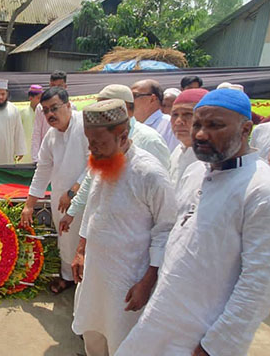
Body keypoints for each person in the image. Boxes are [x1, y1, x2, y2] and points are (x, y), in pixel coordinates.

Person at [116, 89, 270, 356]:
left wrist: (217, 345)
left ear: (245, 128)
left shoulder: (267, 194)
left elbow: (261, 283)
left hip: (202, 335)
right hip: (161, 315)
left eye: (215, 125)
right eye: (198, 124)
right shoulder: (195, 172)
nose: (201, 134)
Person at [67, 99, 176, 356]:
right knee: (92, 334)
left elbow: (166, 229)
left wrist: (147, 282)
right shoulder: (101, 161)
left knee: (123, 342)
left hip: (128, 280)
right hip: (94, 273)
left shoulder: (150, 173)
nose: (93, 149)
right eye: (89, 143)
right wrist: (81, 249)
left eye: (100, 143)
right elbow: (93, 209)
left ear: (123, 136)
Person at [61, 84, 172, 232]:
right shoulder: (100, 143)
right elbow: (92, 182)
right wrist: (72, 212)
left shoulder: (149, 141)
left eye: (105, 106)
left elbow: (163, 216)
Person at [21, 86, 89, 294]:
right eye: (45, 110)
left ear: (68, 105)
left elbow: (94, 163)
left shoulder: (86, 126)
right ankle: (68, 277)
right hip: (61, 198)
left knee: (85, 239)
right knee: (65, 240)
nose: (50, 114)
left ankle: (86, 283)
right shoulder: (50, 137)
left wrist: (73, 192)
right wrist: (28, 206)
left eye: (54, 108)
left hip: (85, 196)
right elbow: (42, 171)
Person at [169, 88, 209, 184]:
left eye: (188, 114)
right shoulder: (178, 150)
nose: (179, 121)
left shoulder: (213, 157)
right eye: (175, 114)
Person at [131, 79, 179, 151]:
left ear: (152, 99)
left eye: (135, 96)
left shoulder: (170, 125)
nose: (130, 100)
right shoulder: (131, 126)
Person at [31, 70, 68, 162]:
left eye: (59, 86)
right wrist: (35, 158)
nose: (55, 90)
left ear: (65, 87)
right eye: (53, 86)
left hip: (66, 154)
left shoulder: (71, 107)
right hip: (47, 154)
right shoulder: (41, 107)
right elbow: (37, 132)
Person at [19, 84, 43, 163]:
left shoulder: (44, 113)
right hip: (24, 152)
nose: (41, 101)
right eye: (39, 98)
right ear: (30, 98)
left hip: (40, 151)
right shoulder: (23, 112)